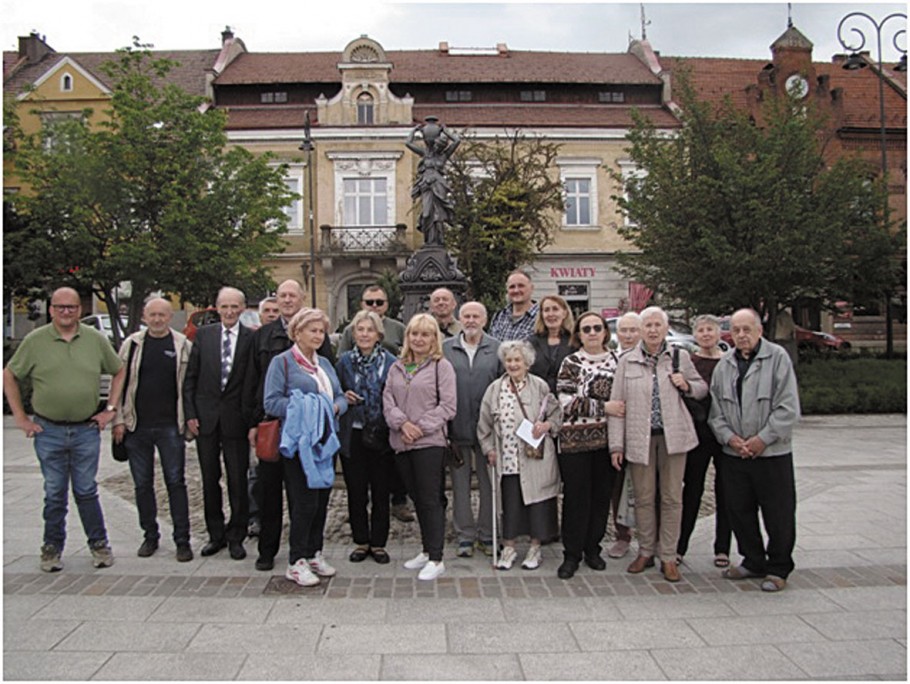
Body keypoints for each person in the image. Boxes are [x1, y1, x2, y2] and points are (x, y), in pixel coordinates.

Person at [3, 286, 125, 572]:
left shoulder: (94, 340)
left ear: (80, 310)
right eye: (60, 307)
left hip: (85, 430)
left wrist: (110, 409)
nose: (66, 312)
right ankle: (51, 548)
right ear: (51, 310)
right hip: (49, 430)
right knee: (55, 491)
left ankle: (99, 545)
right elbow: (9, 375)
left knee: (85, 490)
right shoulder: (36, 341)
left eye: (71, 307)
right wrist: (20, 417)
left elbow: (119, 370)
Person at [609, 306, 707, 583]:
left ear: (666, 329)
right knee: (643, 498)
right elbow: (617, 406)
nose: (652, 330)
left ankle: (669, 555)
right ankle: (645, 550)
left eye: (657, 325)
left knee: (672, 498)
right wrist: (617, 446)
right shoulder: (627, 360)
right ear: (640, 330)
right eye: (648, 325)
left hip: (673, 438)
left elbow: (702, 389)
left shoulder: (679, 356)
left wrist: (686, 384)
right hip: (639, 438)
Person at [709, 308, 800, 593]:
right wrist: (732, 439)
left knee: (779, 513)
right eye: (736, 330)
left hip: (771, 454)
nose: (741, 335)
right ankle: (753, 560)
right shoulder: (724, 365)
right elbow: (716, 412)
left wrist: (762, 439)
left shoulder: (777, 359)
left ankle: (778, 567)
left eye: (747, 329)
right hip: (735, 454)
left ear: (759, 331)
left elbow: (788, 408)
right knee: (739, 510)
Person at [263, 307, 347, 586]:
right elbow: (271, 402)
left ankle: (314, 552)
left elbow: (339, 395)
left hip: (325, 440)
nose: (318, 335)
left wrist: (335, 405)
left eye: (321, 331)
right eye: (312, 330)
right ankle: (295, 560)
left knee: (322, 500)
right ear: (296, 332)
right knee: (303, 502)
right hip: (298, 442)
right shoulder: (283, 362)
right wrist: (307, 406)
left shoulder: (324, 363)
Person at [112, 297, 194, 562]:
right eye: (152, 315)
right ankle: (150, 535)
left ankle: (183, 540)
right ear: (144, 317)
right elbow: (120, 383)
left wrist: (189, 420)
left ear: (170, 317)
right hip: (137, 426)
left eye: (162, 314)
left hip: (171, 425)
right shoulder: (132, 345)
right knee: (142, 484)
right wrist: (118, 419)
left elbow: (189, 386)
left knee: (175, 482)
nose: (157, 319)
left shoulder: (182, 345)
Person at [383, 314, 456, 581]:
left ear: (434, 338)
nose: (419, 339)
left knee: (430, 499)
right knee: (416, 497)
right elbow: (387, 401)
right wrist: (402, 424)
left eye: (425, 334)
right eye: (414, 334)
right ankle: (426, 550)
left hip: (429, 444)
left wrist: (419, 427)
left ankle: (436, 558)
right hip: (402, 442)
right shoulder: (397, 367)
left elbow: (448, 406)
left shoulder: (441, 366)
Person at [478, 340, 562, 571]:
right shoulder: (495, 389)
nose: (513, 364)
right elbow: (484, 424)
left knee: (538, 504)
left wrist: (546, 426)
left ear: (527, 363)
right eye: (509, 360)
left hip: (534, 457)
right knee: (510, 503)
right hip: (507, 458)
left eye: (518, 360)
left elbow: (556, 415)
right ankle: (509, 547)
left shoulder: (540, 386)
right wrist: (489, 449)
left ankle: (535, 548)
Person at [183, 286, 253, 561]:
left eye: (235, 306)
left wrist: (251, 421)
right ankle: (215, 535)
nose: (230, 311)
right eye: (225, 306)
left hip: (236, 420)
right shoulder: (204, 336)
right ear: (217, 307)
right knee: (209, 479)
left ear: (243, 309)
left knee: (237, 479)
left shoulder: (250, 338)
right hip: (206, 420)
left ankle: (237, 535)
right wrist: (191, 414)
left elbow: (252, 381)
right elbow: (191, 378)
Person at [243, 279, 307, 571]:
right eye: (283, 296)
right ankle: (266, 550)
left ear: (302, 299)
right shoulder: (263, 335)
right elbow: (252, 381)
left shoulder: (313, 331)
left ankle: (300, 551)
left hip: (303, 428)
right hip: (271, 424)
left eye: (293, 295)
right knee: (269, 492)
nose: (288, 300)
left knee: (299, 492)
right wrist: (254, 422)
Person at [554, 311, 625, 579]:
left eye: (597, 327)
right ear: (579, 334)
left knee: (600, 498)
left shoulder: (618, 362)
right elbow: (566, 403)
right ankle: (571, 554)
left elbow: (624, 403)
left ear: (605, 332)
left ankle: (592, 549)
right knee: (575, 499)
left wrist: (607, 411)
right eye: (587, 329)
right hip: (574, 443)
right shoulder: (571, 363)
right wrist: (605, 407)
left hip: (607, 442)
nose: (592, 332)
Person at [335, 310, 398, 565]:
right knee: (356, 491)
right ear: (353, 333)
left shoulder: (392, 362)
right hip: (354, 432)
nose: (364, 334)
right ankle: (361, 540)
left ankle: (379, 543)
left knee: (382, 491)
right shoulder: (344, 362)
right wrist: (344, 396)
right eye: (359, 330)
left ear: (378, 334)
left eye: (369, 330)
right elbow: (335, 391)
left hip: (381, 432)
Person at [442, 301, 501, 558]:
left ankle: (488, 534)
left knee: (489, 484)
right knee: (460, 485)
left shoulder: (497, 349)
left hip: (488, 430)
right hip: (457, 428)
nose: (471, 320)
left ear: (484, 320)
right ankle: (465, 535)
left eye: (476, 316)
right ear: (459, 319)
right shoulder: (446, 349)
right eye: (466, 316)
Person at [676, 314, 733, 568]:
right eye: (701, 330)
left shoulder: (729, 362)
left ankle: (723, 547)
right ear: (695, 335)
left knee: (726, 490)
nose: (706, 334)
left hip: (725, 434)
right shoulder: (690, 361)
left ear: (719, 333)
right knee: (692, 489)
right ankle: (680, 546)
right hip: (697, 433)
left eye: (711, 329)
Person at [607, 312, 643, 560]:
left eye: (633, 330)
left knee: (647, 487)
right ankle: (622, 535)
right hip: (614, 429)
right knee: (618, 487)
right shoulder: (611, 358)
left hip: (643, 430)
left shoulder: (648, 357)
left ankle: (651, 538)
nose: (628, 335)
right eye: (624, 330)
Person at [405, 116, 461, 245]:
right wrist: (414, 131)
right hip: (426, 185)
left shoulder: (444, 155)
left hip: (439, 184)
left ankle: (438, 241)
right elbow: (408, 143)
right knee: (426, 214)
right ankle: (428, 241)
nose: (437, 147)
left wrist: (445, 131)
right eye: (436, 144)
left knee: (439, 216)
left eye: (440, 146)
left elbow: (457, 141)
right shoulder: (425, 153)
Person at [337, 285, 406, 356]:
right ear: (362, 304)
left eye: (379, 302)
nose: (374, 305)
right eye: (369, 302)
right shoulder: (351, 329)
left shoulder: (399, 328)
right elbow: (341, 358)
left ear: (386, 305)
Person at [527, 294, 575, 394]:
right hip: (538, 397)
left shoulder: (574, 342)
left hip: (566, 397)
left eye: (555, 309)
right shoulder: (531, 342)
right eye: (546, 310)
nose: (550, 314)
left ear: (564, 313)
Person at [489, 270, 540, 342]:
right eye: (512, 287)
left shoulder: (542, 317)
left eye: (521, 286)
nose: (516, 290)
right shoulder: (499, 316)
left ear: (531, 288)